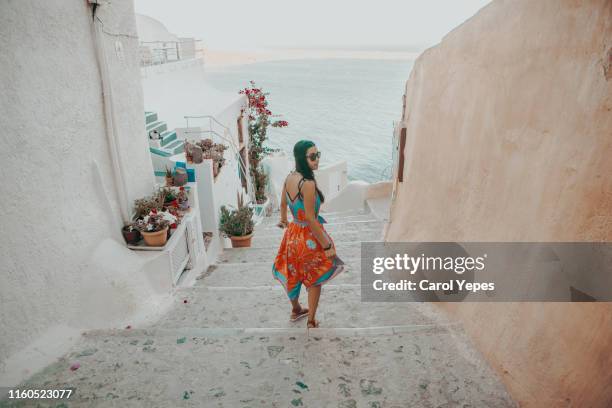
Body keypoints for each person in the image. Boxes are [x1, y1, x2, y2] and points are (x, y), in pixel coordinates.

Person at [272, 140, 345, 329]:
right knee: (315, 277)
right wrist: (327, 245)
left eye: (317, 154)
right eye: (312, 156)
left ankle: (296, 309)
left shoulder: (289, 178)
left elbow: (282, 203)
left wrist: (284, 220)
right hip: (308, 237)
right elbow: (312, 220)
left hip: (292, 235)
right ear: (302, 158)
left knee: (293, 274)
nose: (317, 159)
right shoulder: (308, 183)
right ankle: (311, 320)